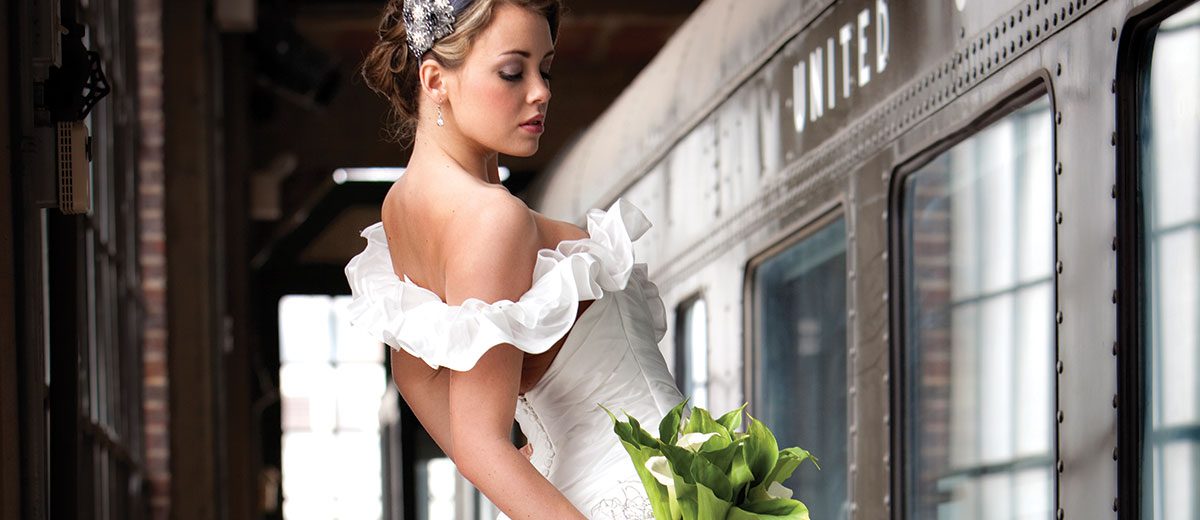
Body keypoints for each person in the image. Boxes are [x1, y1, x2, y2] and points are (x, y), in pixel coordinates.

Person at [346, 0, 684, 518]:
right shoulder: (490, 219)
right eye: (512, 71)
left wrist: (532, 463)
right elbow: (481, 443)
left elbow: (418, 379)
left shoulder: (402, 208)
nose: (541, 91)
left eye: (545, 68)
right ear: (435, 80)